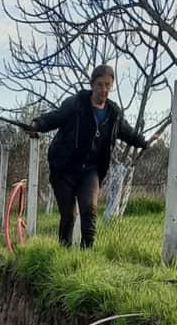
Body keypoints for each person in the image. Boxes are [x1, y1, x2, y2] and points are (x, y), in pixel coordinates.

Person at [30, 65, 148, 248]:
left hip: (91, 169)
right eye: (100, 85)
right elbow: (55, 117)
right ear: (92, 84)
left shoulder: (113, 113)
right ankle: (64, 251)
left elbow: (126, 132)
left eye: (108, 85)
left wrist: (144, 142)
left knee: (89, 209)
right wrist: (37, 124)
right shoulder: (76, 104)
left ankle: (87, 255)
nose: (104, 90)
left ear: (112, 86)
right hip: (64, 168)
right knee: (69, 215)